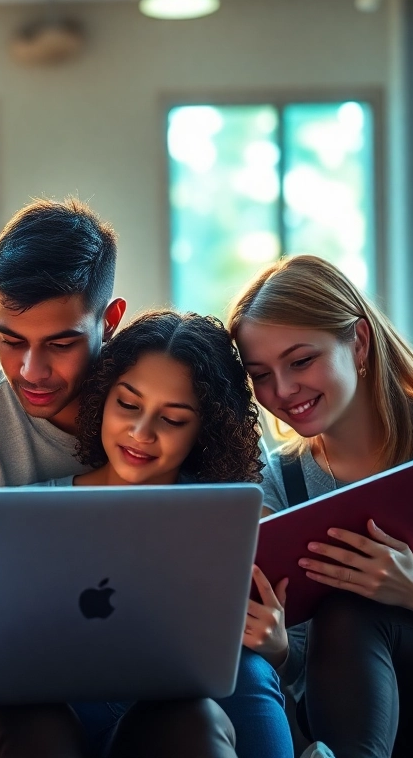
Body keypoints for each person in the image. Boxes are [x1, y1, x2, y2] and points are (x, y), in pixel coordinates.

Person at [0, 198, 243, 756]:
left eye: (61, 343)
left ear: (111, 319)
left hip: (167, 691)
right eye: (11, 340)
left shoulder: (178, 389)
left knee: (201, 722)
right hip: (33, 703)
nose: (32, 371)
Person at [229, 255, 413, 758]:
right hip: (357, 717)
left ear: (358, 342)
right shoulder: (275, 480)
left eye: (301, 361)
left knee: (355, 604)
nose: (282, 391)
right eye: (260, 374)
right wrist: (279, 653)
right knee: (343, 610)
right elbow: (309, 661)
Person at [36, 310, 293, 758]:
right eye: (128, 405)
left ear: (202, 431)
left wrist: (276, 651)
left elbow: (261, 658)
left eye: (172, 419)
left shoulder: (229, 519)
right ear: (102, 398)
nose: (140, 433)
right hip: (66, 715)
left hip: (172, 722)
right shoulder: (31, 511)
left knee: (247, 671)